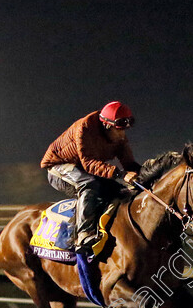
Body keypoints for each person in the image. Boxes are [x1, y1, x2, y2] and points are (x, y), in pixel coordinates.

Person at [41, 101, 141, 254]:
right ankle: (83, 234)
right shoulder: (85, 128)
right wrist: (121, 174)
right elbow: (89, 164)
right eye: (119, 130)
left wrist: (145, 174)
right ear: (107, 125)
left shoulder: (119, 137)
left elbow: (129, 163)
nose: (122, 135)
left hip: (81, 166)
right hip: (58, 166)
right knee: (89, 185)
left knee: (119, 190)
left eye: (124, 131)